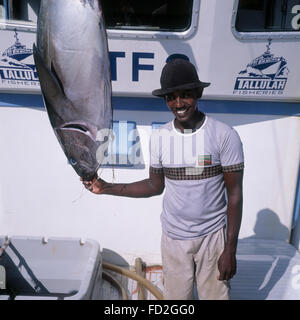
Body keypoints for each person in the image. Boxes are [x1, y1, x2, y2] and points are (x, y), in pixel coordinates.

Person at [82, 57, 244, 300]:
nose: (178, 103)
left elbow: (234, 195)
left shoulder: (225, 135)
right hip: (174, 239)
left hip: (213, 238)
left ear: (198, 93)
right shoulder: (159, 137)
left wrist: (230, 248)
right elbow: (154, 185)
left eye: (185, 94)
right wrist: (106, 188)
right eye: (171, 97)